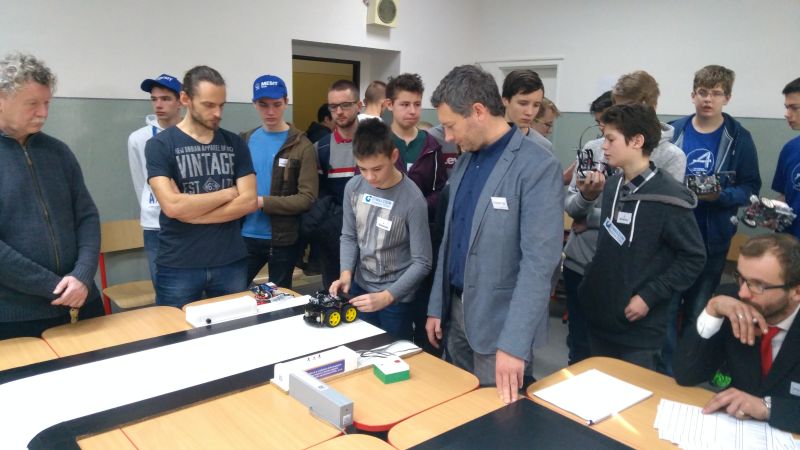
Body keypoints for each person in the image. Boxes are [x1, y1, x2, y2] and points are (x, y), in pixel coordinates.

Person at [426, 65, 564, 403]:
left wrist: (514, 343)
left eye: (451, 126)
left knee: (498, 420)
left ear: (478, 111)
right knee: (459, 408)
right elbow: (449, 240)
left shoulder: (537, 166)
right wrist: (436, 306)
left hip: (501, 325)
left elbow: (539, 265)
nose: (448, 137)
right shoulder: (464, 161)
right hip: (455, 314)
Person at [563, 72, 686, 366]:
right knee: (582, 353)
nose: (614, 116)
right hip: (588, 267)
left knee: (630, 364)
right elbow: (575, 208)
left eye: (623, 107)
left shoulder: (669, 161)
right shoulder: (601, 156)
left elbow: (651, 225)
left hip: (636, 279)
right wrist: (587, 198)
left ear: (645, 106)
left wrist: (593, 219)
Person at [578, 103, 705, 370]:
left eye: (611, 139)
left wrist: (649, 295)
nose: (604, 147)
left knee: (632, 391)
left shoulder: (669, 197)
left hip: (639, 329)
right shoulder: (612, 185)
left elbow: (693, 258)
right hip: (602, 316)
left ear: (637, 141)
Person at [0, 52, 104, 339]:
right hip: (16, 317)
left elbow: (87, 217)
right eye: (32, 104)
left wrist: (82, 275)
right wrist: (54, 287)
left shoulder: (58, 152)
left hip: (83, 301)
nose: (43, 113)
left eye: (47, 103)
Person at [145, 65, 257, 309]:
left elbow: (249, 201)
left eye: (221, 105)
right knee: (175, 330)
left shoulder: (235, 143)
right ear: (185, 99)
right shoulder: (160, 145)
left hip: (230, 261)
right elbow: (172, 206)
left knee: (236, 327)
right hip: (178, 264)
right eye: (208, 105)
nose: (217, 113)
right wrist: (227, 193)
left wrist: (191, 213)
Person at [674, 233, 800, 434]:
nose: (743, 293)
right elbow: (686, 375)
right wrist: (712, 310)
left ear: (796, 292)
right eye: (741, 278)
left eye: (758, 285)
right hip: (732, 431)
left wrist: (767, 408)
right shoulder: (732, 303)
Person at [671, 65, 762, 340]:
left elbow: (750, 188)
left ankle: (688, 361)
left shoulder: (739, 138)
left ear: (727, 98)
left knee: (698, 311)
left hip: (712, 241)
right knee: (665, 309)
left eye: (716, 93)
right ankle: (663, 364)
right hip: (671, 238)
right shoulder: (673, 131)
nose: (708, 99)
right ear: (693, 95)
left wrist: (720, 196)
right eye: (702, 92)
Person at [330, 119, 432, 339]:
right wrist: (345, 273)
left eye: (377, 169)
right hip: (360, 288)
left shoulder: (413, 200)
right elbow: (349, 236)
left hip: (396, 298)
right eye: (362, 169)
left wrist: (387, 296)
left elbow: (422, 262)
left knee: (392, 351)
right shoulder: (354, 187)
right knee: (360, 346)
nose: (370, 177)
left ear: (393, 156)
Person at [386, 72, 447, 348]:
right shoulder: (380, 142)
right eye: (404, 104)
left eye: (417, 104)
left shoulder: (431, 145)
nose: (412, 111)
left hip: (424, 238)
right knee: (393, 318)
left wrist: (417, 206)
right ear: (390, 105)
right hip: (389, 241)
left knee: (422, 311)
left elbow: (440, 190)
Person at [239, 75, 318, 287]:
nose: (270, 111)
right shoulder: (244, 140)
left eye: (276, 104)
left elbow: (307, 198)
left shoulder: (302, 145)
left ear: (286, 102)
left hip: (283, 238)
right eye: (263, 105)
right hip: (245, 234)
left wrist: (262, 202)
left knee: (280, 298)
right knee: (232, 293)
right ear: (254, 104)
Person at [127, 73, 183, 287]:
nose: (158, 104)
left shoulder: (194, 134)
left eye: (166, 99)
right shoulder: (138, 138)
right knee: (164, 286)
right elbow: (140, 181)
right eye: (154, 99)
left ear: (181, 101)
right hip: (155, 224)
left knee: (195, 288)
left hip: (191, 221)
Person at [312, 80, 363, 290]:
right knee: (335, 294)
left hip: (372, 238)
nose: (339, 112)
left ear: (359, 105)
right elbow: (318, 196)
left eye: (345, 105)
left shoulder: (376, 144)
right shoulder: (320, 148)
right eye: (333, 107)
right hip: (335, 237)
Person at [772, 77, 800, 239]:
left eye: (794, 108)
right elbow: (786, 195)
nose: (787, 114)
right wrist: (771, 212)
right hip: (789, 243)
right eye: (786, 107)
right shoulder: (790, 148)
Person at [500, 69, 552, 152]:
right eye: (523, 103)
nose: (529, 112)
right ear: (505, 101)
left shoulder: (543, 146)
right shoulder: (484, 139)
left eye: (536, 105)